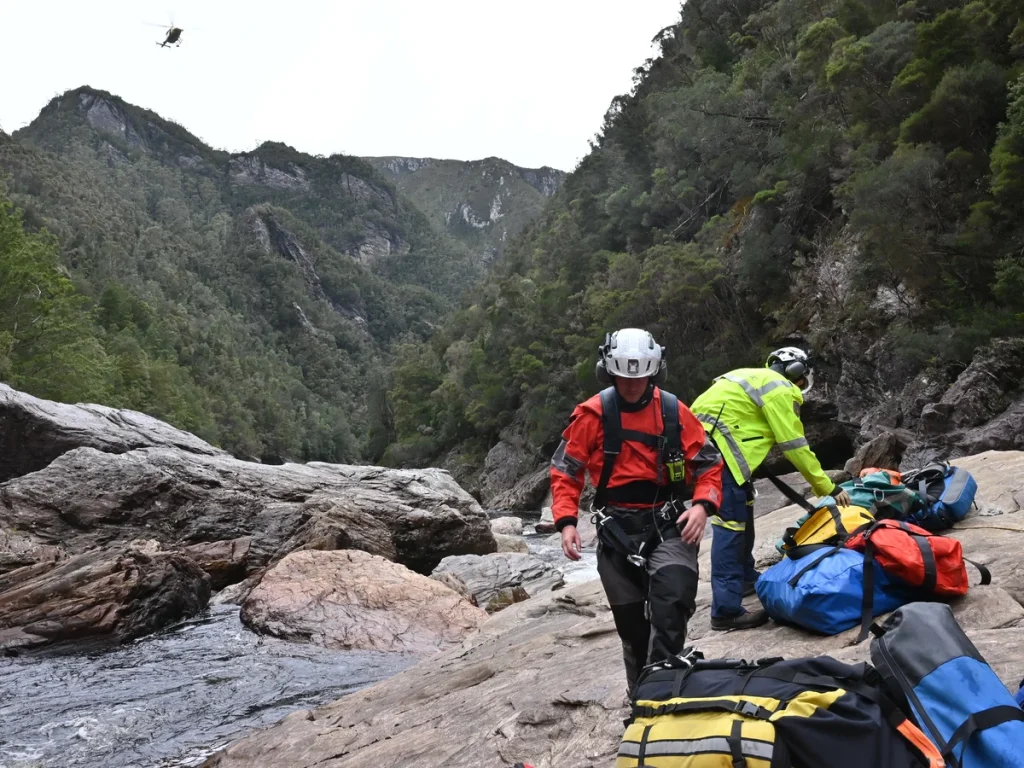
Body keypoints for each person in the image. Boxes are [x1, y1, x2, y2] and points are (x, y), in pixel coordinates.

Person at [550, 328, 723, 697]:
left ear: (653, 372)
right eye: (625, 377)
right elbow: (566, 470)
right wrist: (566, 522)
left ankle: (662, 693)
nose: (632, 386)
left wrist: (703, 506)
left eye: (640, 377)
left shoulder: (675, 412)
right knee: (633, 629)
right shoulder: (592, 415)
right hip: (616, 531)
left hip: (668, 523)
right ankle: (641, 699)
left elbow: (709, 464)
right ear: (609, 372)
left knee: (673, 602)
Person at [690, 346, 853, 631]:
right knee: (730, 528)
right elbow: (794, 446)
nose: (801, 384)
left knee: (742, 513)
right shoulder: (780, 388)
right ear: (797, 372)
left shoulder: (747, 376)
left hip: (704, 451)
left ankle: (744, 579)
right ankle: (726, 611)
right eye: (801, 377)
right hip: (720, 457)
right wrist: (826, 487)